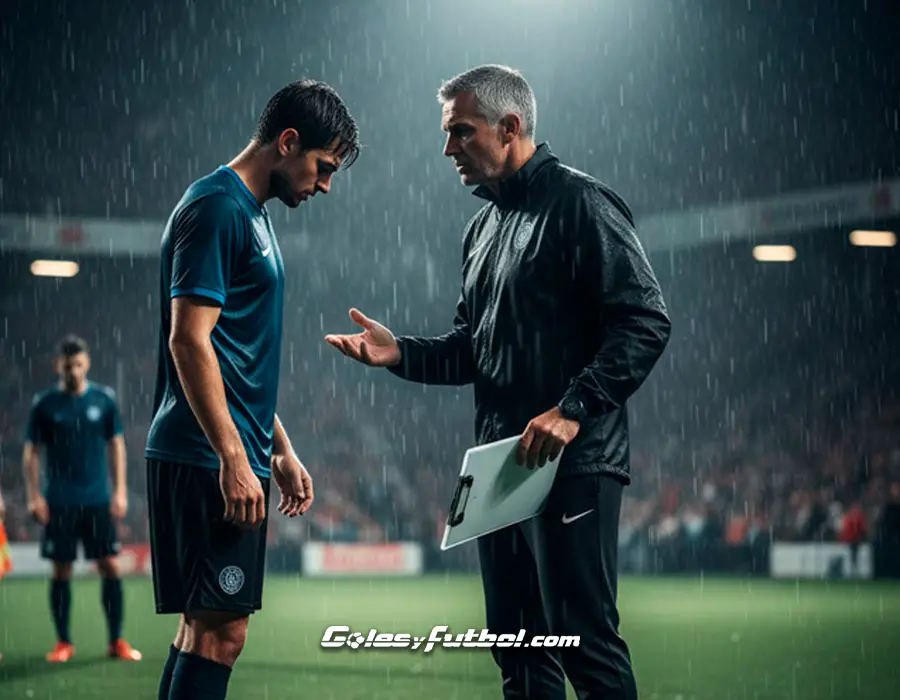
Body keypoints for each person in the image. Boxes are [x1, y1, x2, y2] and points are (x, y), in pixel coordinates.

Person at [325, 64, 671, 699]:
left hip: (573, 459)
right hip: (497, 468)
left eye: (460, 131)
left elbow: (645, 320)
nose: (447, 148)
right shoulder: (479, 229)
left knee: (582, 643)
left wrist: (573, 408)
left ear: (509, 127)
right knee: (515, 650)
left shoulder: (581, 203)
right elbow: (470, 352)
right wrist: (400, 352)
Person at [145, 78, 360, 700]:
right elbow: (189, 340)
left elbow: (237, 360)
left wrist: (278, 448)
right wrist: (235, 457)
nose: (324, 185)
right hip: (203, 454)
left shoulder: (251, 215)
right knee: (222, 632)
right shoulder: (217, 207)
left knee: (202, 629)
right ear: (288, 142)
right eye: (323, 167)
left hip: (216, 448)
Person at [22, 334, 141, 663]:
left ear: (86, 363)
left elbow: (116, 444)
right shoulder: (44, 404)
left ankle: (116, 640)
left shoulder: (104, 400)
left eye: (78, 364)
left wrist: (119, 491)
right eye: (67, 365)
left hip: (97, 499)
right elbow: (31, 451)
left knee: (111, 566)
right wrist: (34, 496)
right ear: (57, 366)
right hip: (58, 500)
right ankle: (64, 642)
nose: (73, 370)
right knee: (62, 571)